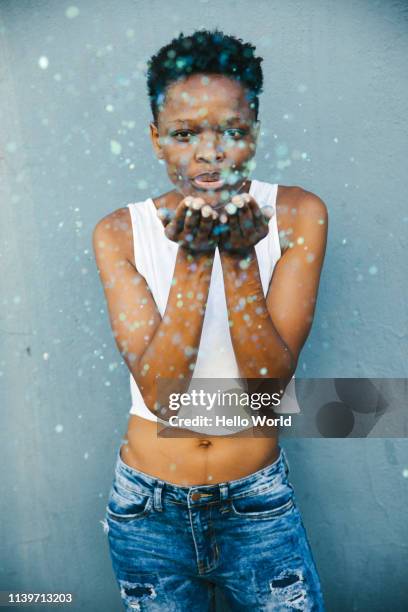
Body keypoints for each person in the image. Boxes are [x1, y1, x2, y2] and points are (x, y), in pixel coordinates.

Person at [93, 29, 327, 611]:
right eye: (183, 133)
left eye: (232, 131)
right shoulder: (119, 232)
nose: (210, 151)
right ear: (156, 140)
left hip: (257, 508)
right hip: (147, 513)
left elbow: (268, 389)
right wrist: (196, 259)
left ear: (254, 133)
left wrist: (241, 256)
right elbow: (162, 395)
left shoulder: (299, 215)